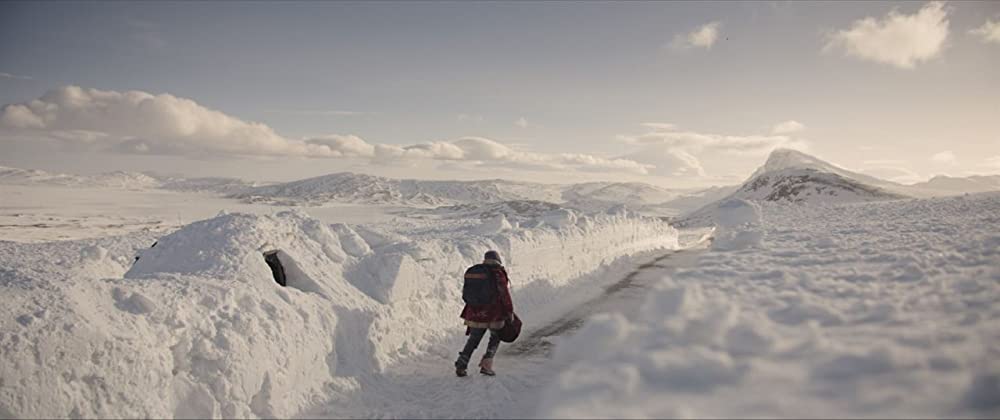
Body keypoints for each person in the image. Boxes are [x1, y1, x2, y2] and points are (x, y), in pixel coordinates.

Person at [455, 250, 514, 377]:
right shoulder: (498, 273)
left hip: (476, 312)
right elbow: (504, 295)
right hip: (494, 313)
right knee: (495, 338)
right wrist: (509, 311)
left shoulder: (477, 271)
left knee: (473, 339)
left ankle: (462, 363)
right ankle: (486, 365)